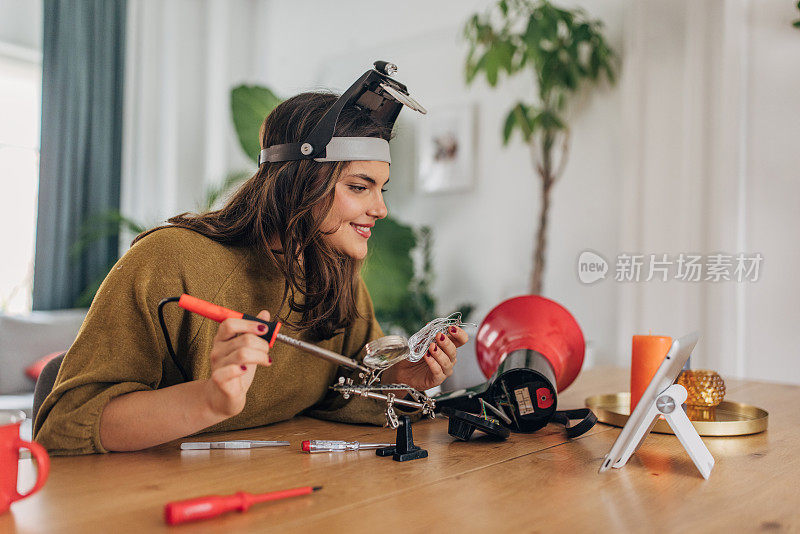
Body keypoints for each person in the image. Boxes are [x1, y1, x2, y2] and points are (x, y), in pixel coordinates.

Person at [33, 88, 468, 456]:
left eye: (380, 188)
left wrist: (401, 380)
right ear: (300, 181)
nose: (380, 209)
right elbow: (65, 426)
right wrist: (209, 399)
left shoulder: (337, 271)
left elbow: (342, 391)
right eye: (359, 187)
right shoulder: (167, 261)